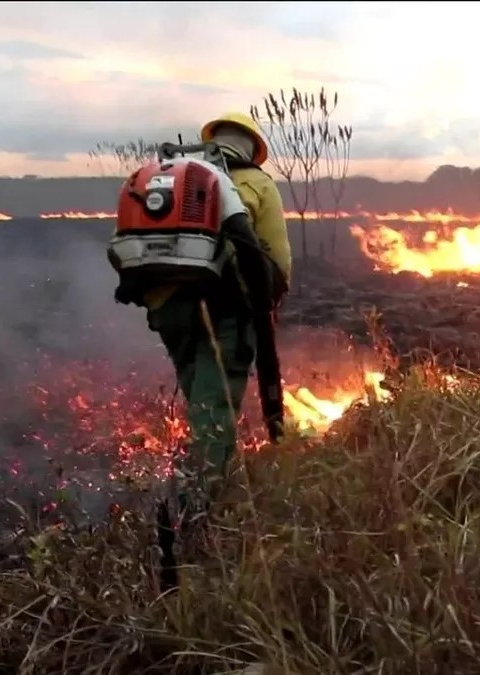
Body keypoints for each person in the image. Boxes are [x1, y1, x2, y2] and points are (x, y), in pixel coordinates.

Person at [132, 112, 292, 513]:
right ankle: (199, 511)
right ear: (253, 148)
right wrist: (266, 304)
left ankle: (191, 490)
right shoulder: (257, 183)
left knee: (198, 394)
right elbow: (277, 259)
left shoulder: (167, 177)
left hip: (168, 308)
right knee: (213, 411)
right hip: (227, 311)